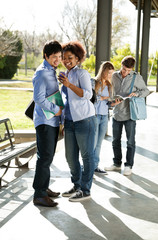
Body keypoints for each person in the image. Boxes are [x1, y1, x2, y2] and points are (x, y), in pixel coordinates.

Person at [58, 41, 97, 202]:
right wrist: (62, 121)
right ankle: (77, 185)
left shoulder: (82, 74)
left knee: (87, 156)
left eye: (70, 58)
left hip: (85, 120)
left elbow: (88, 94)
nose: (66, 61)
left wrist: (69, 85)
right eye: (64, 58)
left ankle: (85, 190)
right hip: (69, 121)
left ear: (78, 58)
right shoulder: (65, 74)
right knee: (70, 156)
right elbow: (66, 101)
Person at [104, 56, 150, 176]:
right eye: (124, 69)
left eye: (128, 70)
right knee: (115, 140)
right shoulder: (114, 76)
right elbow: (110, 90)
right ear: (121, 65)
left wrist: (137, 93)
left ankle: (128, 165)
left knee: (130, 141)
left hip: (130, 114)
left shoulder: (136, 77)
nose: (126, 72)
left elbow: (146, 91)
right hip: (117, 112)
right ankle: (117, 163)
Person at [32, 40, 63, 207]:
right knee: (44, 157)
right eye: (54, 57)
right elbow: (38, 98)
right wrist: (55, 109)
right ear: (46, 56)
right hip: (45, 121)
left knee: (48, 156)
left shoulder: (51, 71)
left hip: (52, 120)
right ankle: (39, 194)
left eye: (59, 56)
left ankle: (44, 187)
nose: (57, 60)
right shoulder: (42, 73)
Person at [92, 61, 115, 175]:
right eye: (109, 73)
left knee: (99, 143)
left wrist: (113, 102)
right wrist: (102, 97)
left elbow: (108, 103)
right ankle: (88, 166)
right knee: (93, 142)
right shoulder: (94, 82)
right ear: (104, 71)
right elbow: (90, 99)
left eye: (112, 73)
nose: (110, 75)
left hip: (105, 116)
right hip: (95, 115)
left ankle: (95, 166)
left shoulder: (109, 85)